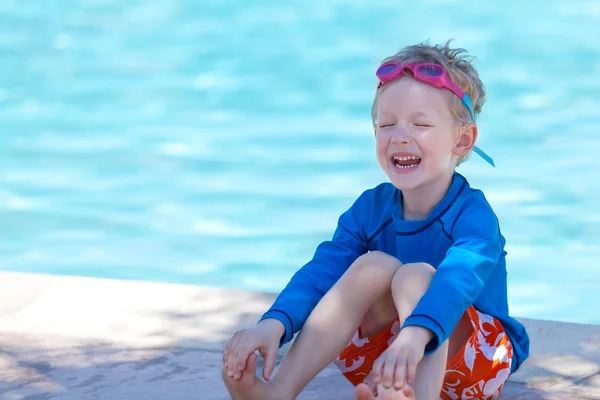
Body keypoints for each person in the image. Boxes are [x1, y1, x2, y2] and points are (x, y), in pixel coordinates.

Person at [221, 40, 530, 400]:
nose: (399, 136)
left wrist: (415, 334)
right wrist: (273, 324)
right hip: (389, 361)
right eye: (386, 124)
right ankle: (279, 391)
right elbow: (322, 271)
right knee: (371, 267)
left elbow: (457, 282)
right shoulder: (370, 209)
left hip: (474, 364)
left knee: (417, 275)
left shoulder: (474, 215)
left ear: (462, 141)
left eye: (421, 124)